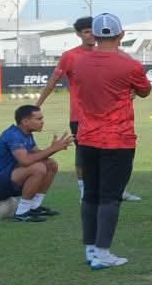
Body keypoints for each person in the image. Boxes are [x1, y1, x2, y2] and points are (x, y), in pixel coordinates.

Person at [60, 11, 151, 270]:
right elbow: (144, 90)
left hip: (87, 136)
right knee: (110, 197)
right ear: (121, 34)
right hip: (118, 139)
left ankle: (91, 249)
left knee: (90, 195)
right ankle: (103, 252)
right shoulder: (129, 65)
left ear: (94, 35)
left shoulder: (78, 62)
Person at [37, 15, 143, 203]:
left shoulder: (115, 54)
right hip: (82, 116)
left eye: (92, 31)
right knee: (83, 156)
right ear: (78, 34)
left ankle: (120, 190)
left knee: (117, 155)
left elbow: (132, 78)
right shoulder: (71, 56)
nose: (90, 35)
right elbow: (54, 80)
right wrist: (37, 105)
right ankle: (84, 192)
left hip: (114, 117)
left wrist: (132, 91)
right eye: (86, 32)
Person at [0, 104, 70, 221]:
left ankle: (34, 207)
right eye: (38, 119)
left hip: (6, 178)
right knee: (38, 168)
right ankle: (22, 213)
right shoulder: (13, 135)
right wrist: (52, 149)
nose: (42, 122)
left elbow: (39, 155)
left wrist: (54, 148)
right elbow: (25, 161)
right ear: (25, 121)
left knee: (50, 164)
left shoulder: (26, 134)